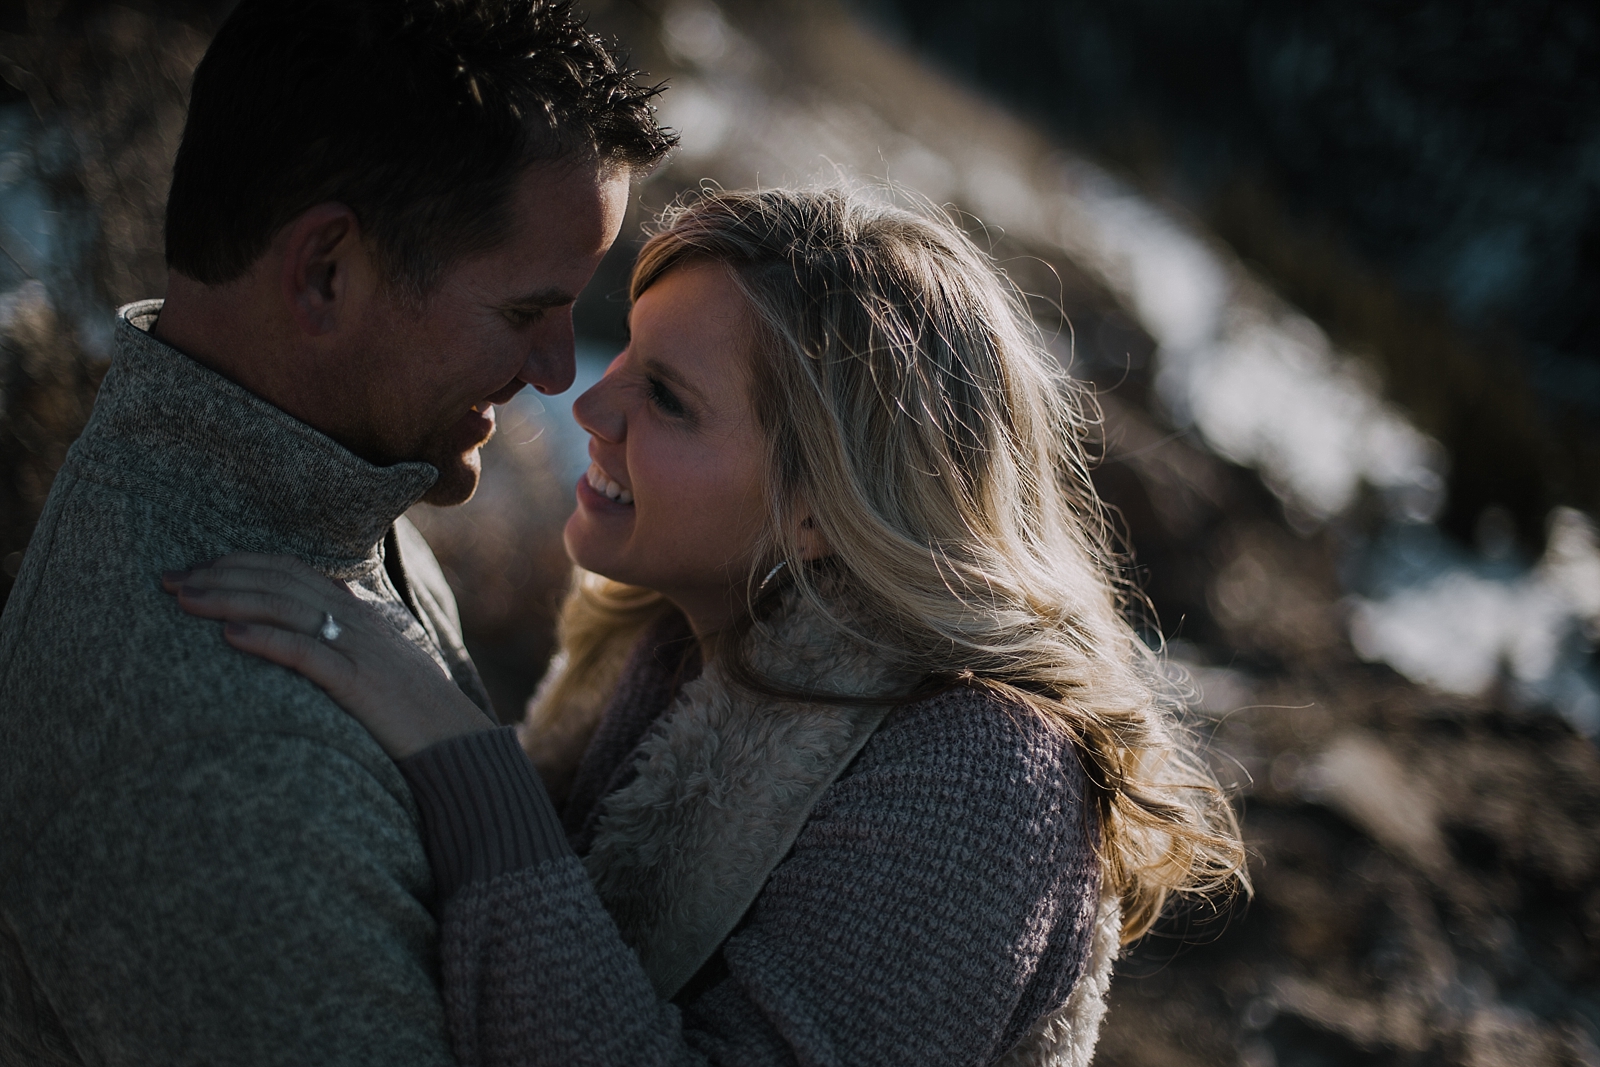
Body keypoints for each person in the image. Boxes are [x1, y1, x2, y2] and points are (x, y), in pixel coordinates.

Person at [170, 187, 1249, 1066]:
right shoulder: (677, 633)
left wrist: (458, 756)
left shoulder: (978, 773)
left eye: (670, 398)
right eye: (624, 355)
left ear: (825, 507)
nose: (591, 407)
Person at [0, 0, 673, 1062]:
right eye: (523, 311)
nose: (558, 373)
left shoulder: (321, 483)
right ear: (325, 272)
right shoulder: (226, 778)